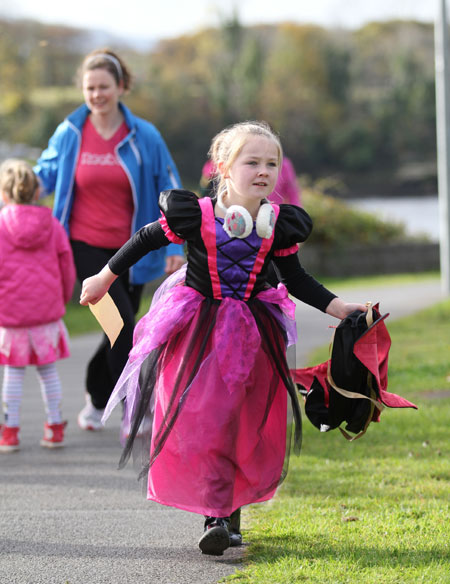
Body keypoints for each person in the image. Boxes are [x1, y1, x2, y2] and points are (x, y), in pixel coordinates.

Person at [79, 121, 367, 556]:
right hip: (199, 331)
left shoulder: (278, 225)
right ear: (224, 168)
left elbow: (296, 278)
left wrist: (338, 306)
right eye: (252, 161)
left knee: (240, 422)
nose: (264, 170)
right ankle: (215, 515)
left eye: (271, 163)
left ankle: (229, 514)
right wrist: (103, 278)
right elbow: (145, 240)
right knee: (207, 419)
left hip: (254, 333)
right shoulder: (195, 214)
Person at [34, 48, 185, 432]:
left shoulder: (144, 136)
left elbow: (170, 189)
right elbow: (45, 175)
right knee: (121, 326)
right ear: (82, 90)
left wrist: (173, 245)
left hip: (132, 250)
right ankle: (137, 407)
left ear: (120, 87)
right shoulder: (70, 132)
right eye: (90, 88)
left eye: (104, 86)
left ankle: (96, 398)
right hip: (82, 246)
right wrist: (16, 188)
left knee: (121, 327)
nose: (97, 94)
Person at [0, 159, 76, 452]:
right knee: (47, 372)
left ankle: (10, 432)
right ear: (36, 192)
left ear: (5, 195)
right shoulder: (52, 224)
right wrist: (64, 295)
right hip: (45, 312)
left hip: (10, 314)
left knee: (13, 373)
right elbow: (66, 265)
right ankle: (54, 428)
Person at [199, 155, 302, 205]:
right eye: (252, 163)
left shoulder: (285, 165)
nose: (263, 172)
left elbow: (292, 192)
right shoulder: (218, 164)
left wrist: (297, 221)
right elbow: (204, 186)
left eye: (271, 164)